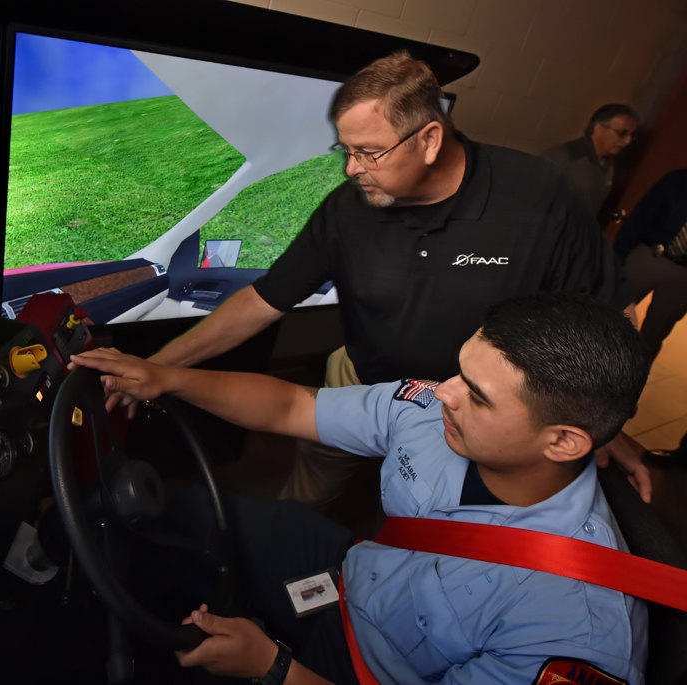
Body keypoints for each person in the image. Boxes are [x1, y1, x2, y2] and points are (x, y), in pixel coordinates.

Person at [137, 51, 647, 507]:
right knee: (306, 496)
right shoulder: (347, 209)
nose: (352, 169)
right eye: (347, 150)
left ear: (429, 139)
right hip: (362, 385)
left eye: (369, 152)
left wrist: (596, 422)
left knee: (439, 524)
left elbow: (607, 319)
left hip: (470, 410)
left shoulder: (539, 197)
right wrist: (159, 365)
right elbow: (264, 300)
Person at [71, 292, 650, 684]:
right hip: (356, 578)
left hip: (367, 670)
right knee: (192, 513)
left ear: (564, 442)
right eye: (459, 372)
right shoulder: (435, 408)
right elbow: (295, 405)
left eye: (477, 395)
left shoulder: (578, 626)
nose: (443, 392)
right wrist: (167, 377)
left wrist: (272, 668)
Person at [612, 168, 687, 362]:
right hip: (648, 254)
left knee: (653, 335)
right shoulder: (677, 180)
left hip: (683, 276)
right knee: (608, 311)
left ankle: (628, 381)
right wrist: (618, 255)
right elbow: (641, 216)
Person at [541, 103, 639, 225]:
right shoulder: (565, 157)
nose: (627, 141)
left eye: (631, 135)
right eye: (622, 133)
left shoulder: (609, 163)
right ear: (598, 129)